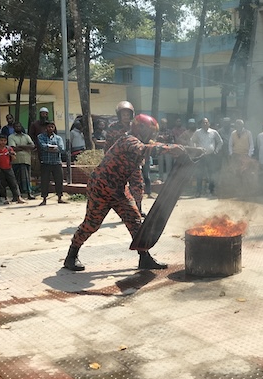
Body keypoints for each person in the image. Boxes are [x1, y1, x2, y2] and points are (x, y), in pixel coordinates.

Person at [63, 114, 185, 272]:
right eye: (150, 132)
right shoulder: (128, 140)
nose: (152, 136)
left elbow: (136, 176)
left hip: (119, 188)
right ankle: (71, 256)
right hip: (101, 187)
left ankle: (144, 257)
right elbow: (144, 149)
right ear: (140, 129)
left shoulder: (138, 147)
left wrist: (137, 201)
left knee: (135, 221)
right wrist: (170, 149)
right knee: (91, 224)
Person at [190, 118, 223, 197]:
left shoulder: (214, 132)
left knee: (211, 174)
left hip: (211, 156)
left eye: (206, 123)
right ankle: (198, 192)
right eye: (203, 123)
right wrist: (195, 149)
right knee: (200, 174)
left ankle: (212, 191)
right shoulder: (198, 132)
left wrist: (216, 151)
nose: (205, 124)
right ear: (201, 124)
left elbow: (220, 142)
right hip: (201, 156)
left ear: (209, 124)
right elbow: (192, 140)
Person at [37, 122, 67, 205]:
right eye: (48, 127)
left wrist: (49, 147)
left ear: (54, 128)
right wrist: (54, 147)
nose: (50, 128)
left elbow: (61, 148)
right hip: (45, 162)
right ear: (46, 128)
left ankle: (60, 197)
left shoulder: (58, 138)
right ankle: (44, 199)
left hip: (56, 162)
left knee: (59, 180)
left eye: (52, 127)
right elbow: (43, 146)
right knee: (45, 181)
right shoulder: (40, 136)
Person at [0, 135, 25, 205]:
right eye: (1, 140)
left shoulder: (9, 149)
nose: (3, 142)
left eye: (4, 141)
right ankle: (4, 198)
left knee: (13, 183)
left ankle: (18, 197)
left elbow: (14, 158)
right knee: (1, 184)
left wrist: (11, 154)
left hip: (8, 168)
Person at [8, 122, 36, 200]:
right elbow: (13, 148)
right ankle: (17, 195)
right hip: (16, 160)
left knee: (27, 178)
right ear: (14, 128)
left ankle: (29, 193)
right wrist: (26, 147)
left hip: (26, 160)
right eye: (16, 126)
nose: (18, 127)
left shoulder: (26, 136)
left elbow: (32, 146)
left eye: (19, 126)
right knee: (16, 179)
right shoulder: (11, 137)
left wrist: (19, 146)